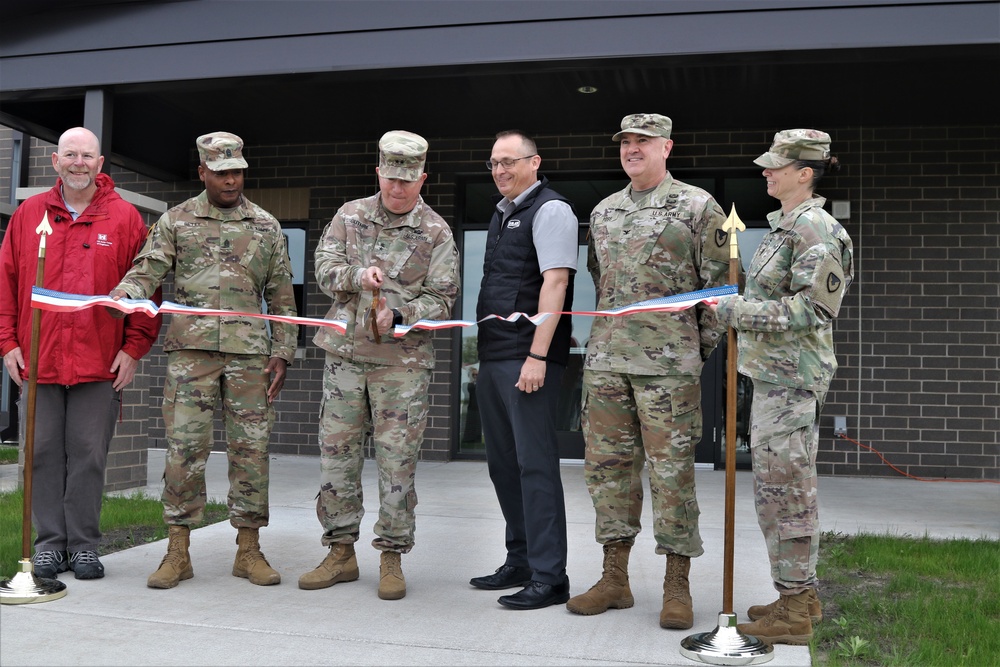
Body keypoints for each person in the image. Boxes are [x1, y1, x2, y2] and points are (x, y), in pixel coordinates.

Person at [109, 131, 297, 589]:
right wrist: (124, 294)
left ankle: (248, 550)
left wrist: (283, 352)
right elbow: (148, 267)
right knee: (184, 451)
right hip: (190, 356)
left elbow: (283, 296)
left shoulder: (267, 226)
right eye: (221, 172)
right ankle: (177, 550)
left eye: (237, 172)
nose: (231, 181)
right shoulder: (176, 220)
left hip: (250, 356)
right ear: (203, 172)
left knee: (251, 451)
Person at [567, 114, 732, 629]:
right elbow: (602, 281)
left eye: (642, 142)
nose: (632, 149)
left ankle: (676, 583)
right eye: (625, 142)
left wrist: (691, 350)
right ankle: (615, 578)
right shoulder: (604, 210)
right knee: (607, 471)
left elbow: (720, 289)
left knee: (672, 474)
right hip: (608, 363)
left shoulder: (698, 205)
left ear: (667, 147)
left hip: (668, 369)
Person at [301, 130, 459, 601]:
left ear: (422, 179)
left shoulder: (436, 232)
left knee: (396, 464)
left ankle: (391, 557)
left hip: (402, 366)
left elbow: (444, 297)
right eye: (391, 180)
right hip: (346, 358)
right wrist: (355, 275)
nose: (397, 190)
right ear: (378, 173)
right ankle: (340, 553)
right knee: (337, 457)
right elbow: (324, 266)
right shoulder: (350, 215)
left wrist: (404, 313)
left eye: (407, 183)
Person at [0, 127, 162, 580]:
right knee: (43, 453)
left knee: (89, 455)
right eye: (70, 154)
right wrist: (8, 343)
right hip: (39, 358)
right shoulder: (30, 215)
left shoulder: (125, 219)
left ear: (100, 162)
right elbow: (7, 281)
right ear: (55, 161)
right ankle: (49, 545)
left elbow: (147, 290)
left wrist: (134, 348)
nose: (78, 163)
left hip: (99, 362)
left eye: (86, 156)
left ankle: (85, 546)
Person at [714, 129, 854, 645]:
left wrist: (736, 311)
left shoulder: (815, 228)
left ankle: (794, 611)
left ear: (805, 173)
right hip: (776, 376)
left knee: (785, 493)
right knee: (780, 489)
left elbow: (811, 310)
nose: (766, 172)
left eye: (776, 166)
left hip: (792, 380)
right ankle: (801, 595)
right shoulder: (785, 227)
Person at [468, 130, 578, 611]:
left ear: (535, 162)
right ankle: (522, 559)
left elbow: (554, 284)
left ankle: (551, 576)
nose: (500, 171)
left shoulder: (551, 210)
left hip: (527, 358)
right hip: (495, 356)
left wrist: (536, 355)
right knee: (503, 466)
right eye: (493, 163)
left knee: (535, 466)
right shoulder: (501, 214)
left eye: (509, 162)